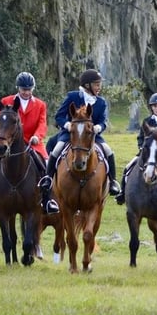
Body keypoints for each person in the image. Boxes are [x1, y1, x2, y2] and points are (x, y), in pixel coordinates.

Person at [41, 69, 121, 213]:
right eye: (96, 84)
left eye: (99, 84)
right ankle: (47, 179)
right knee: (57, 149)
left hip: (91, 135)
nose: (99, 87)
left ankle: (113, 182)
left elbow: (103, 121)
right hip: (70, 133)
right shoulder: (73, 96)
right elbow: (59, 116)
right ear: (87, 85)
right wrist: (67, 125)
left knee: (108, 151)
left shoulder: (101, 102)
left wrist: (98, 127)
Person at [0, 72, 53, 216]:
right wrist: (1, 135)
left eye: (29, 89)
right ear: (18, 88)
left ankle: (47, 201)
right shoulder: (6, 101)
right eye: (23, 89)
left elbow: (42, 124)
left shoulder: (40, 105)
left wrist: (37, 136)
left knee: (47, 163)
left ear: (33, 89)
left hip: (31, 141)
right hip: (6, 140)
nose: (26, 92)